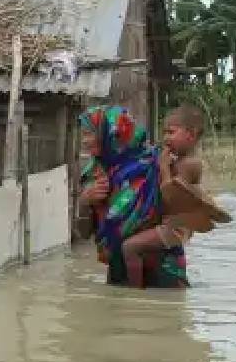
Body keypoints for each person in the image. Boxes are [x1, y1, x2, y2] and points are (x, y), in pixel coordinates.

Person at [78, 104, 187, 288]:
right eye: (83, 134)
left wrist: (165, 172)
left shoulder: (157, 164)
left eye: (88, 134)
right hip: (118, 270)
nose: (84, 141)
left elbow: (181, 220)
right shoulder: (95, 173)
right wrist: (84, 202)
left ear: (112, 133)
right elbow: (82, 234)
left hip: (162, 271)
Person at [118, 105, 207, 287]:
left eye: (171, 132)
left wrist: (164, 168)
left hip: (175, 227)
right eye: (164, 132)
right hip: (168, 222)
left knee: (129, 247)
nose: (165, 137)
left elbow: (171, 193)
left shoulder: (191, 164)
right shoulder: (177, 160)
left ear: (190, 135)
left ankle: (134, 293)